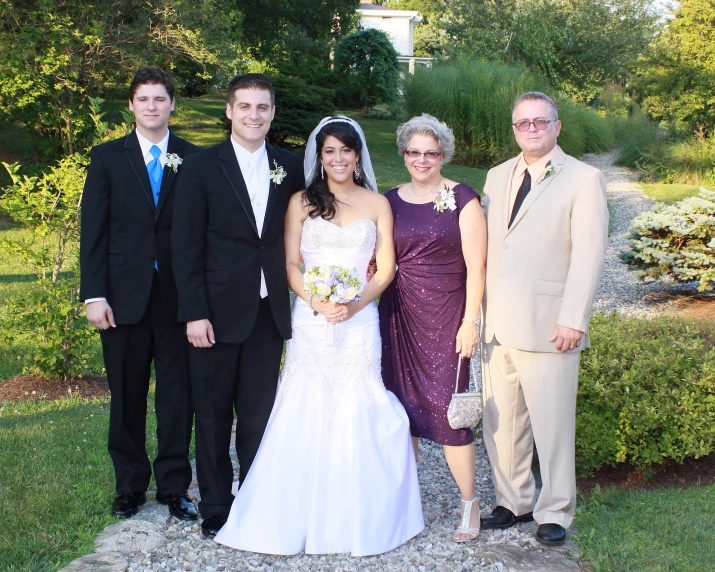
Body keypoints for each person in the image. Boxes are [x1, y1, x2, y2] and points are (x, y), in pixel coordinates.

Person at [214, 116, 424, 556]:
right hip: (312, 318)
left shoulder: (376, 204)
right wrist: (318, 300)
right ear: (320, 156)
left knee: (359, 397)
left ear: (358, 155)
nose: (338, 158)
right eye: (330, 151)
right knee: (305, 399)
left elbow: (387, 268)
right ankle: (289, 512)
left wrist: (354, 304)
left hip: (360, 318)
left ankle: (361, 513)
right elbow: (290, 265)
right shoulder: (300, 203)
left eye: (346, 150)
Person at [171, 74, 305, 538]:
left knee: (258, 414)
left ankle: (255, 495)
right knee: (210, 413)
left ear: (272, 112)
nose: (254, 115)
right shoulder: (200, 167)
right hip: (213, 312)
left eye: (262, 107)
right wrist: (193, 312)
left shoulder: (289, 166)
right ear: (229, 110)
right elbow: (184, 246)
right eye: (245, 106)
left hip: (269, 314)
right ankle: (215, 503)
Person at [479, 92, 608, 546]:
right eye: (522, 123)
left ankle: (555, 510)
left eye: (539, 121)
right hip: (496, 324)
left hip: (551, 324)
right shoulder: (496, 176)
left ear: (557, 126)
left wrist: (574, 318)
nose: (530, 129)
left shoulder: (583, 178)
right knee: (502, 422)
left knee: (552, 426)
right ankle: (513, 500)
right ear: (514, 129)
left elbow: (589, 254)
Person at [80, 67, 201, 520]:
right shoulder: (108, 158)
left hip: (175, 299)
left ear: (172, 104)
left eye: (160, 98)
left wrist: (198, 301)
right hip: (122, 299)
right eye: (143, 99)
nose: (152, 106)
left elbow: (198, 233)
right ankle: (129, 485)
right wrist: (94, 295)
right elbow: (93, 231)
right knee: (126, 394)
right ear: (131, 105)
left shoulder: (193, 157)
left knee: (176, 396)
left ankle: (174, 487)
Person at [378, 114, 487, 542]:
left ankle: (469, 503)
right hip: (397, 318)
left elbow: (477, 265)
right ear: (403, 154)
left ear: (443, 155)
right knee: (400, 411)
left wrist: (471, 320)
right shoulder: (388, 200)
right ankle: (406, 503)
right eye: (414, 152)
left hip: (445, 318)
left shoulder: (462, 198)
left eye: (431, 152)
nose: (422, 159)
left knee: (448, 413)